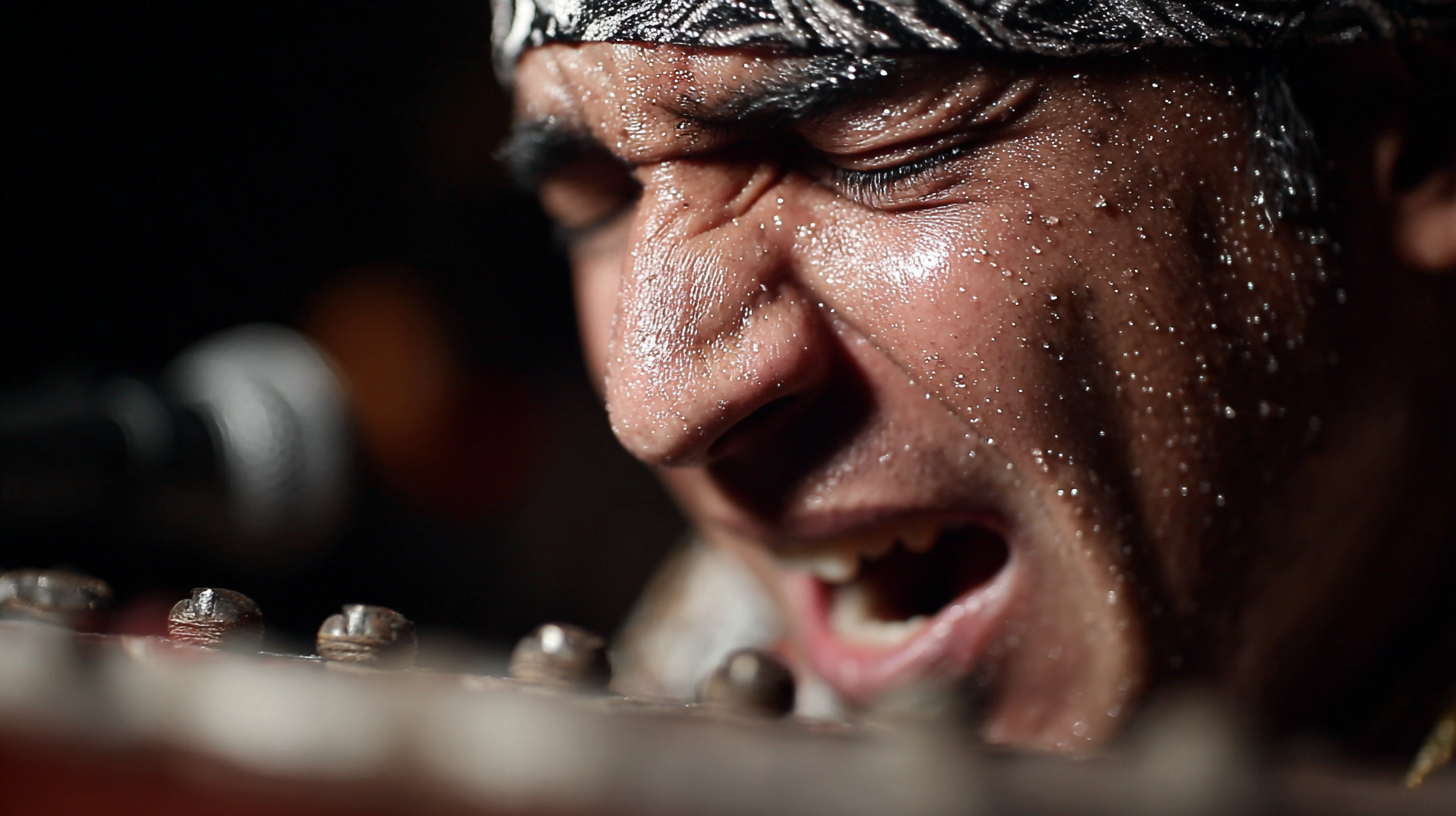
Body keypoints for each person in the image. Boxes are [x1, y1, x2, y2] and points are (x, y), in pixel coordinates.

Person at [491, 0, 1456, 761]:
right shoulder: (704, 665)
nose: (656, 402)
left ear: (1419, 141)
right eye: (598, 205)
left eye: (872, 143)